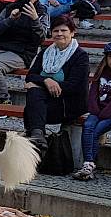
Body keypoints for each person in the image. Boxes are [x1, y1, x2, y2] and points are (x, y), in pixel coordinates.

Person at [23, 15, 89, 149]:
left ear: (72, 32)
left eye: (63, 30)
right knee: (34, 96)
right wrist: (46, 80)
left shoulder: (80, 56)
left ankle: (36, 137)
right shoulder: (45, 53)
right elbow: (30, 76)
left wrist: (42, 84)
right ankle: (38, 137)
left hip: (69, 104)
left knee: (33, 98)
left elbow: (73, 86)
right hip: (47, 102)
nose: (59, 34)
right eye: (56, 31)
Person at [73, 41, 111, 181]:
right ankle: (89, 163)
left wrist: (104, 114)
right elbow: (92, 93)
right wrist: (94, 110)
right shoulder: (101, 72)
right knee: (87, 126)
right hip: (97, 111)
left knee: (95, 130)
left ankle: (88, 165)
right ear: (106, 58)